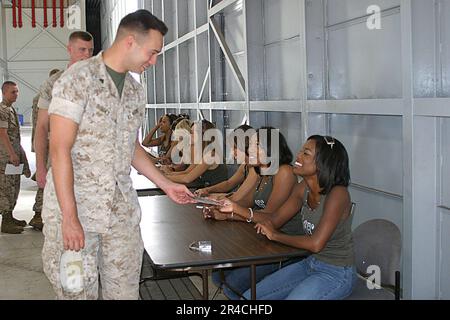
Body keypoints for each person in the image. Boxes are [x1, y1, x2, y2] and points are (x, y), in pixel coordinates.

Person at [42, 10, 194, 300]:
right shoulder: (78, 80)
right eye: (152, 53)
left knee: (125, 293)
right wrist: (70, 217)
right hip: (77, 210)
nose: (154, 61)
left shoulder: (136, 92)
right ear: (129, 42)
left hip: (120, 213)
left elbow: (130, 146)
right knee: (75, 292)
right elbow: (59, 149)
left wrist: (166, 184)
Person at [221, 135, 356, 300]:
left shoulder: (338, 194)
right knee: (249, 297)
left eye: (306, 154)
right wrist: (231, 212)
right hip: (310, 263)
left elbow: (315, 244)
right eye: (301, 151)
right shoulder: (302, 188)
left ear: (323, 162)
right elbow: (275, 219)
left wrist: (275, 234)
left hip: (336, 272)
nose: (298, 156)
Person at [204, 127, 297, 299]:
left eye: (257, 145)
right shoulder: (260, 169)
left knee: (232, 285)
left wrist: (233, 212)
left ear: (272, 149)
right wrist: (224, 213)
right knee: (219, 275)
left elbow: (270, 217)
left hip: (285, 244)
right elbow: (247, 202)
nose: (250, 150)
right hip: (262, 236)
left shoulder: (284, 172)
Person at [34, 31, 95, 231]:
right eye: (81, 50)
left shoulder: (98, 84)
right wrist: (41, 168)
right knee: (60, 226)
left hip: (92, 168)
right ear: (69, 50)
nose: (86, 55)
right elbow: (42, 128)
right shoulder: (53, 84)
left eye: (91, 50)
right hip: (59, 164)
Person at [29, 68, 61, 230]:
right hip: (48, 142)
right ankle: (39, 213)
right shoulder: (42, 98)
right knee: (47, 180)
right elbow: (41, 125)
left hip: (48, 141)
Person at [0, 81, 31, 234]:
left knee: (14, 186)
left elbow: (15, 137)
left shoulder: (10, 109)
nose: (16, 95)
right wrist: (12, 154)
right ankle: (5, 221)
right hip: (5, 158)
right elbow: (2, 133)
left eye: (17, 91)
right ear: (4, 92)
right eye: (13, 92)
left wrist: (21, 155)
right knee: (6, 188)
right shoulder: (3, 110)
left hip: (13, 157)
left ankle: (10, 216)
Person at [195, 124, 253, 197]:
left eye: (235, 148)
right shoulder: (245, 166)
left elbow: (242, 196)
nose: (232, 153)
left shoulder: (255, 170)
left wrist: (218, 197)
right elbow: (229, 183)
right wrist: (208, 190)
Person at [165, 119, 228, 187]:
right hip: (206, 191)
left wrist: (163, 177)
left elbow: (187, 179)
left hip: (215, 194)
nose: (189, 135)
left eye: (192, 133)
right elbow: (187, 172)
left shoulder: (210, 155)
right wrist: (167, 174)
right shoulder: (202, 153)